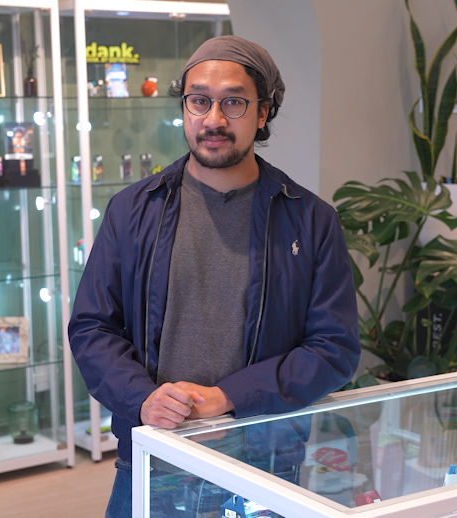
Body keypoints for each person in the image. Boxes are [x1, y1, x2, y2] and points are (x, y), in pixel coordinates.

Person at [68, 35, 360, 517]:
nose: (214, 119)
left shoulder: (310, 220)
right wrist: (143, 398)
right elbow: (92, 327)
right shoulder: (132, 210)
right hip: (151, 461)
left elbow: (335, 348)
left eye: (234, 102)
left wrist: (230, 397)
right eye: (199, 100)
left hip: (264, 469)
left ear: (263, 112)